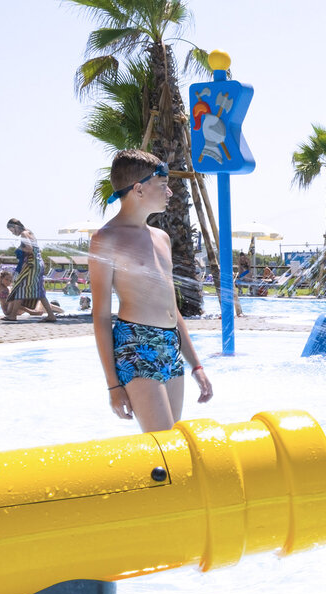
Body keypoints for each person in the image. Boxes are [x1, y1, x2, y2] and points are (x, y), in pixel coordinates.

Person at [89, 149, 213, 432]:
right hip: (136, 344)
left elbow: (172, 309)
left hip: (170, 345)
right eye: (163, 185)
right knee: (163, 445)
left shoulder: (162, 238)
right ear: (139, 189)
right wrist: (113, 385)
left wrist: (196, 366)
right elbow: (101, 316)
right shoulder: (106, 239)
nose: (169, 192)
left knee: (174, 445)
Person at [6, 218, 58, 322]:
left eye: (12, 230)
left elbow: (29, 249)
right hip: (37, 264)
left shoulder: (24, 234)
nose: (12, 233)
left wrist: (18, 249)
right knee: (39, 291)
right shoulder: (30, 232)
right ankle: (51, 315)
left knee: (20, 287)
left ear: (16, 227)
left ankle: (13, 315)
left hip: (32, 265)